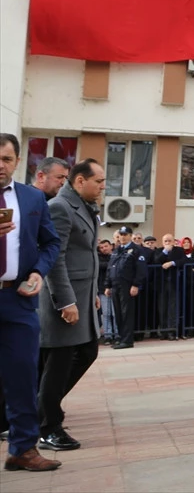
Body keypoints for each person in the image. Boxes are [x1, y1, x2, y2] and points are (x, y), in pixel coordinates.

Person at [0, 133, 63, 472]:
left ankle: (22, 449)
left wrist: (39, 271)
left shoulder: (32, 199)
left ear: (17, 161)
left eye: (6, 159)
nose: (0, 165)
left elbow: (51, 243)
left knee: (24, 374)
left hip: (17, 298)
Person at [37, 159, 105, 453]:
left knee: (84, 352)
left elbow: (85, 255)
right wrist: (66, 301)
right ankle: (48, 426)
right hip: (63, 303)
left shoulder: (83, 207)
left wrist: (92, 292)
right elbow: (56, 258)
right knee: (60, 362)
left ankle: (41, 410)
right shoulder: (60, 208)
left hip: (81, 298)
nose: (103, 187)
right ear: (80, 181)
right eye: (98, 182)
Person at [104, 226, 145, 349]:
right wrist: (107, 285)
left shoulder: (136, 250)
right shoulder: (117, 250)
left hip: (127, 285)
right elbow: (110, 268)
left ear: (130, 236)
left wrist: (136, 284)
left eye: (125, 234)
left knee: (126, 313)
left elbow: (141, 269)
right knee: (118, 313)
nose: (122, 237)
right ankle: (121, 338)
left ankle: (127, 340)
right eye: (121, 234)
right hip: (115, 285)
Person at [154, 234, 186, 340]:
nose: (167, 242)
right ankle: (163, 332)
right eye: (165, 241)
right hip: (162, 284)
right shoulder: (159, 251)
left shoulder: (179, 250)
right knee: (162, 308)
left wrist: (172, 263)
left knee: (173, 308)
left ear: (173, 241)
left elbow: (184, 260)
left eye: (169, 241)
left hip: (174, 283)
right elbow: (157, 260)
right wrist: (165, 251)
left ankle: (171, 331)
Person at [97, 240, 115, 344]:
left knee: (115, 313)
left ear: (111, 246)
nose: (104, 248)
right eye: (102, 247)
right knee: (106, 313)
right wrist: (112, 264)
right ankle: (108, 335)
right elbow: (102, 266)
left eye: (106, 246)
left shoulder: (115, 255)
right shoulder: (98, 258)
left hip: (116, 288)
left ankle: (117, 334)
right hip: (102, 288)